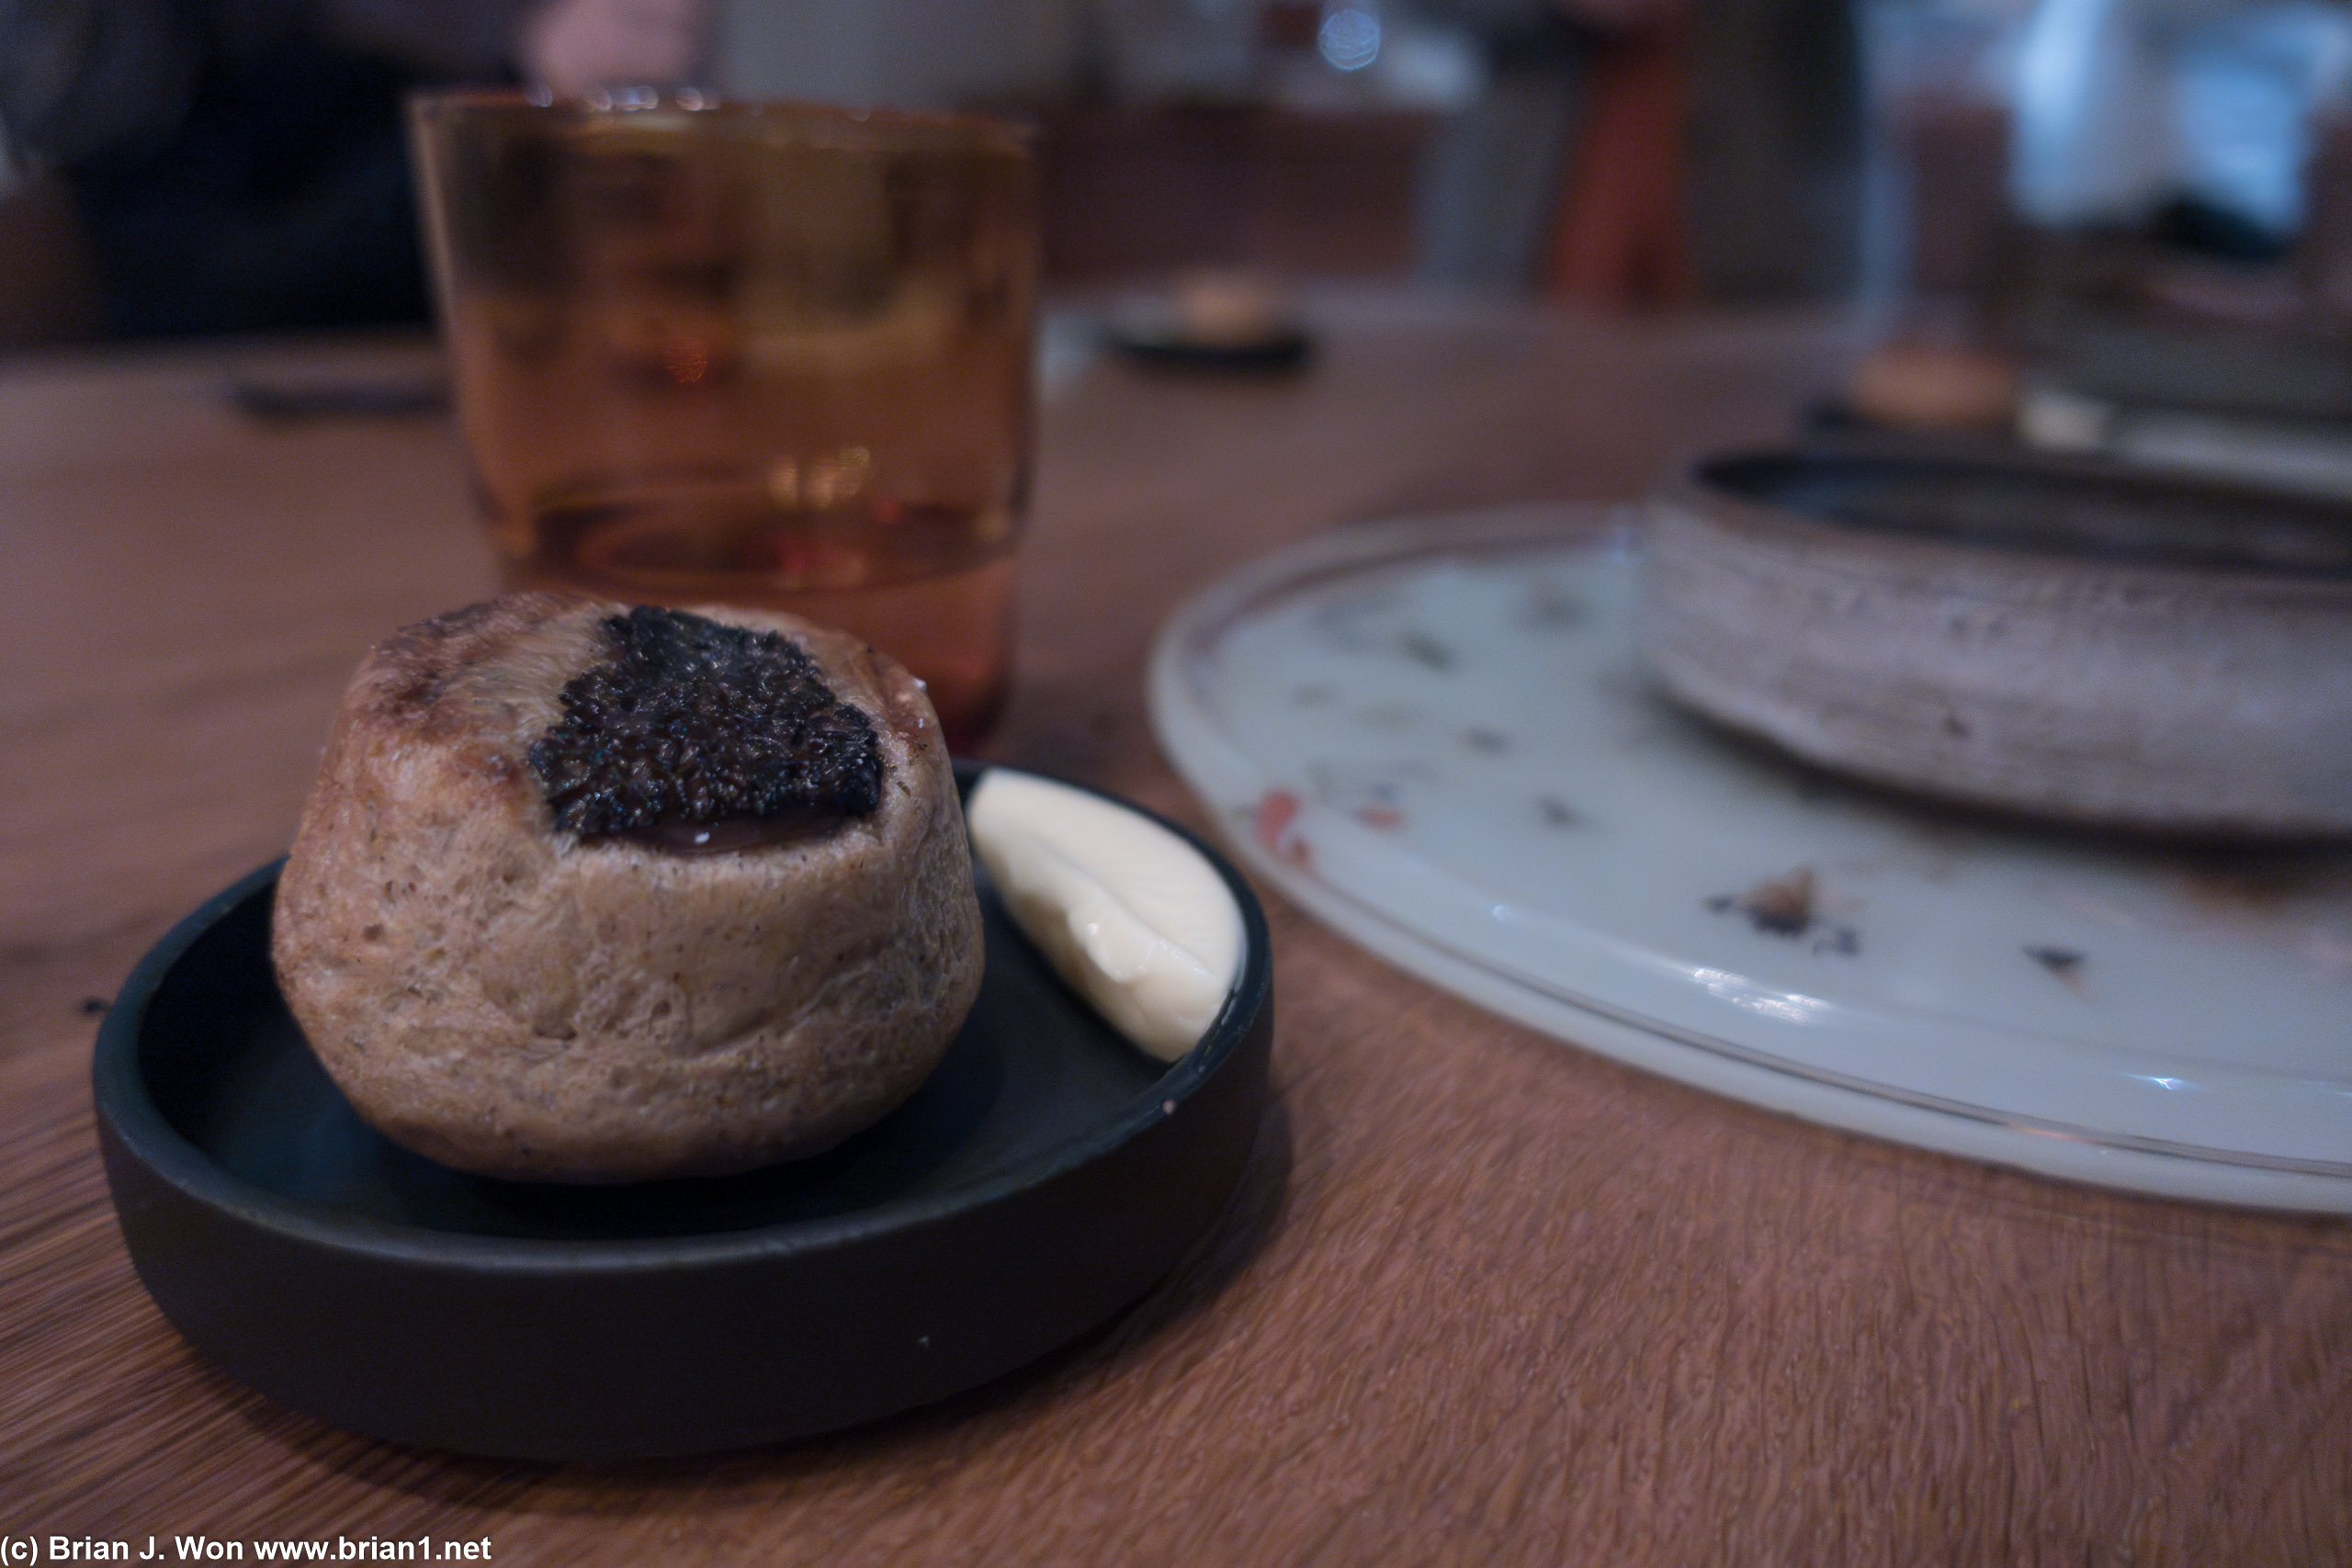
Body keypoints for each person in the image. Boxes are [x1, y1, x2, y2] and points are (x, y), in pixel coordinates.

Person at [0, 0, 707, 338]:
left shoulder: (303, 66)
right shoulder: (125, 90)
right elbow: (241, 289)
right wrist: (531, 81)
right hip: (186, 472)